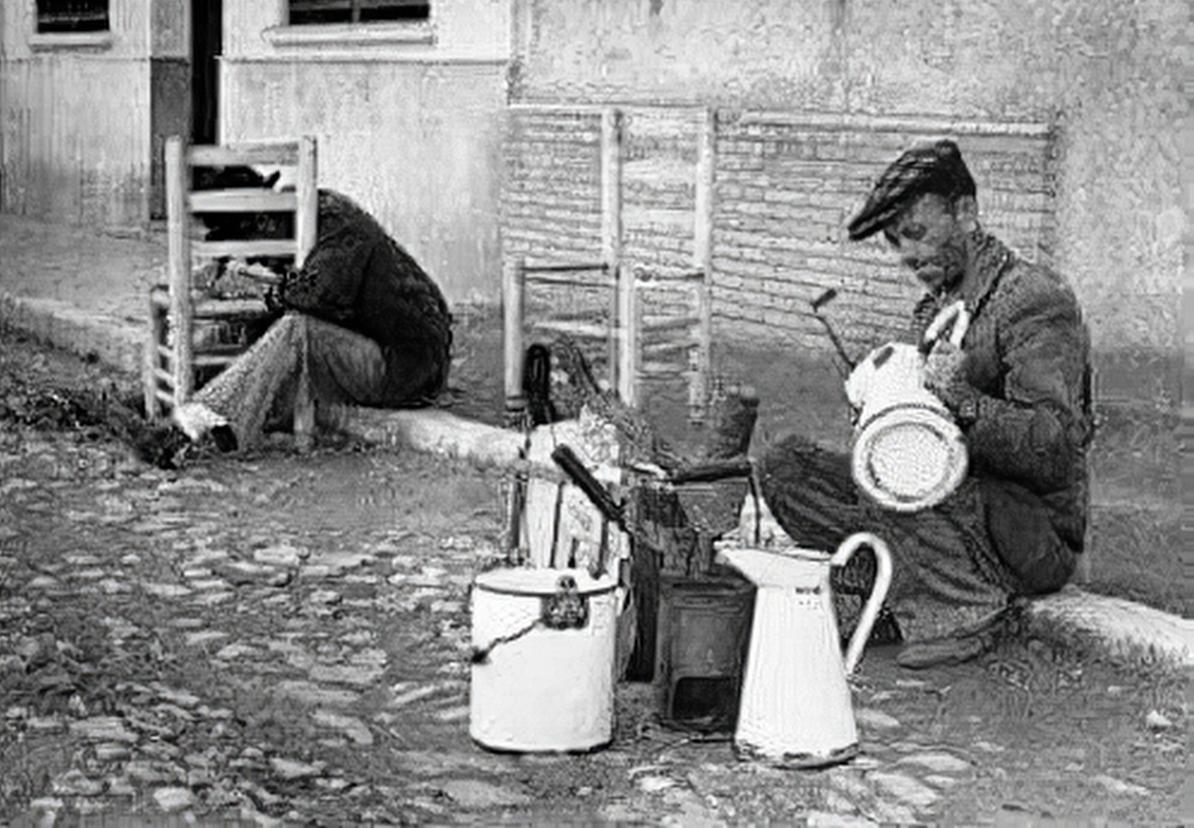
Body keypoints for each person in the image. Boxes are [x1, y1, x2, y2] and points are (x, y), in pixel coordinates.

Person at [757, 139, 1093, 668]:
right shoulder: (933, 307)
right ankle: (896, 589)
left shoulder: (1032, 298)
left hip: (1029, 535)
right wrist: (876, 404)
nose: (908, 255)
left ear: (966, 212)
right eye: (895, 242)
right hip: (954, 511)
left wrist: (961, 400)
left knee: (907, 468)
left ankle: (966, 608)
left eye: (915, 232)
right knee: (785, 465)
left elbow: (1056, 445)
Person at [165, 175, 454, 460]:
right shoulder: (299, 222)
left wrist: (268, 291)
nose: (258, 261)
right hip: (378, 350)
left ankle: (210, 419)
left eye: (252, 251)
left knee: (297, 328)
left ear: (264, 221)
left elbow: (321, 296)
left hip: (408, 369)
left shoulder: (335, 223)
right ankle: (192, 404)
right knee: (250, 328)